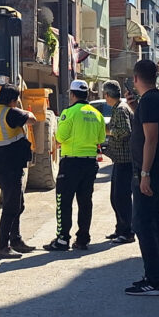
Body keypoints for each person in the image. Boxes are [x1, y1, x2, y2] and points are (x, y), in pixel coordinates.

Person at [123, 60, 159, 297]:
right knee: (156, 222)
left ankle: (152, 279)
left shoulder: (151, 101)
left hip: (150, 173)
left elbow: (151, 139)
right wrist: (135, 110)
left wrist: (144, 174)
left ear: (135, 78)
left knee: (143, 224)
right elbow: (148, 131)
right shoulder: (156, 100)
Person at [43, 80, 105, 251]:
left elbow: (61, 137)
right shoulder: (96, 114)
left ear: (72, 94)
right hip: (90, 163)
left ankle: (63, 239)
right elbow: (101, 139)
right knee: (85, 202)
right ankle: (83, 239)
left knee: (64, 201)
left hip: (71, 163)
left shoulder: (69, 112)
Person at [0, 84, 37, 259]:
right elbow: (32, 119)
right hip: (10, 169)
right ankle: (2, 246)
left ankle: (16, 240)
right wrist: (25, 110)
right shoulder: (10, 113)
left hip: (3, 167)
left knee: (18, 204)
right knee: (10, 207)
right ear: (12, 100)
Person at [102, 80, 135, 244]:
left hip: (125, 160)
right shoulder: (119, 108)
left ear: (107, 95)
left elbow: (125, 131)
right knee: (115, 197)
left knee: (121, 198)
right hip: (119, 159)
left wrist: (109, 132)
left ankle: (127, 232)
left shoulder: (121, 109)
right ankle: (120, 228)